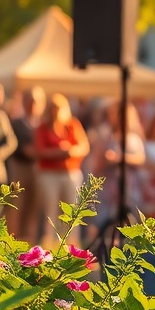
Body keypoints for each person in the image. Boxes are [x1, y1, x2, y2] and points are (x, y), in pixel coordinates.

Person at [34, 93, 90, 245]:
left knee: (72, 210)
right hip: (49, 174)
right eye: (52, 108)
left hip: (70, 172)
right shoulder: (43, 128)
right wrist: (59, 152)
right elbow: (40, 151)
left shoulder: (72, 125)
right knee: (50, 212)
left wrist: (70, 151)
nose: (55, 111)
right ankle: (48, 244)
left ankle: (71, 245)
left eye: (58, 108)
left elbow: (83, 146)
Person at [6, 86, 45, 242]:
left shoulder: (42, 124)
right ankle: (13, 240)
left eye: (35, 101)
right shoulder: (16, 123)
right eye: (30, 100)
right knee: (16, 206)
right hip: (19, 168)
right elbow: (15, 145)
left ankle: (29, 242)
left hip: (37, 169)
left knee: (33, 208)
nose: (32, 104)